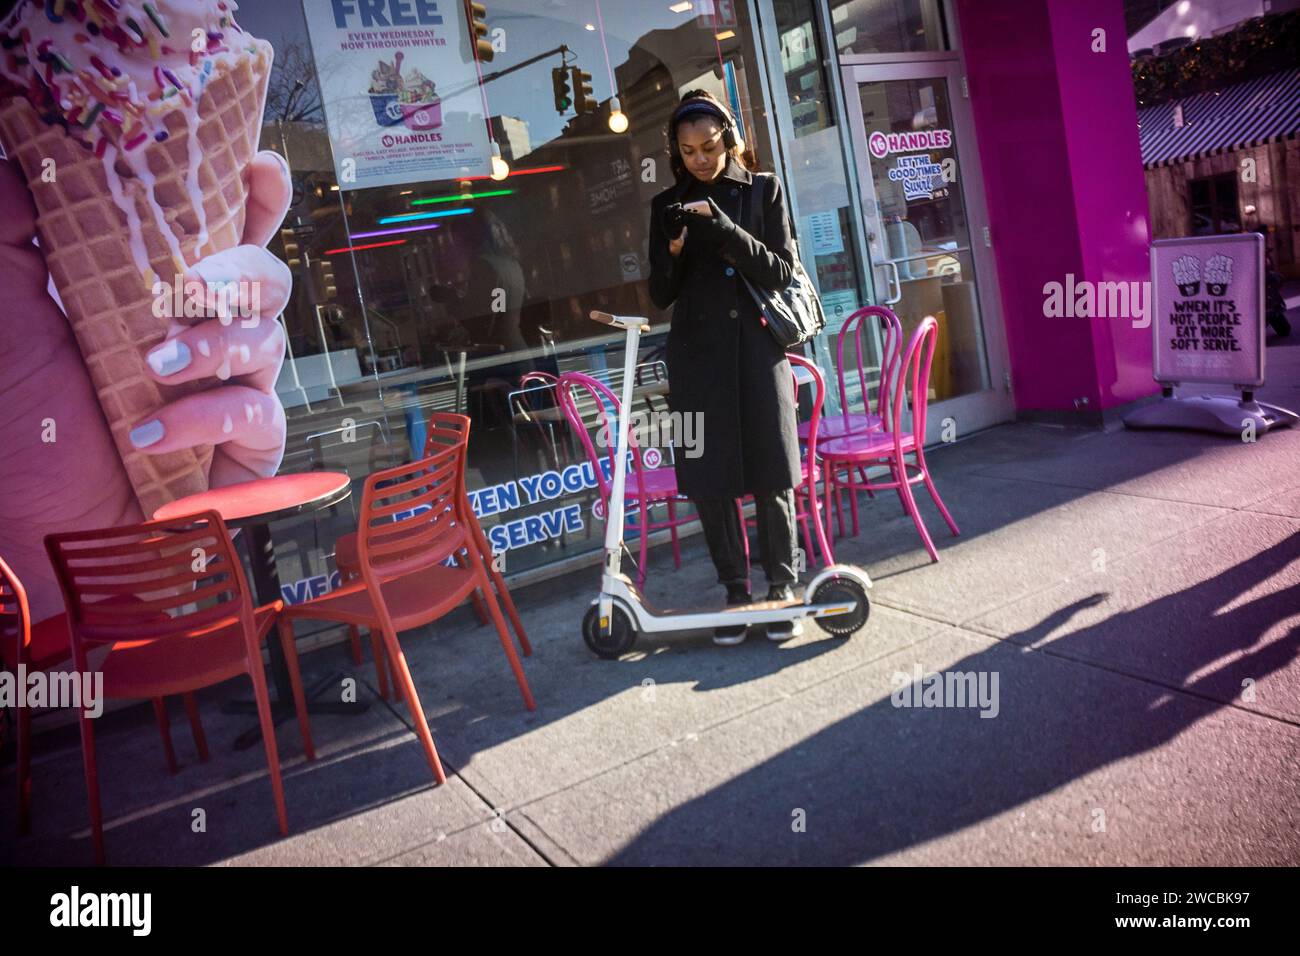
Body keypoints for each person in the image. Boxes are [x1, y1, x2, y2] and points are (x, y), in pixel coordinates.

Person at [647, 90, 803, 645]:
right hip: (695, 360)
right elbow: (661, 296)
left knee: (771, 470)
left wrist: (722, 230)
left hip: (759, 354)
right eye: (688, 151)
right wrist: (671, 247)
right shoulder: (666, 203)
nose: (700, 160)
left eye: (709, 147)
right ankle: (735, 591)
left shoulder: (764, 190)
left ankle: (782, 587)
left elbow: (782, 270)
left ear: (728, 139)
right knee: (708, 479)